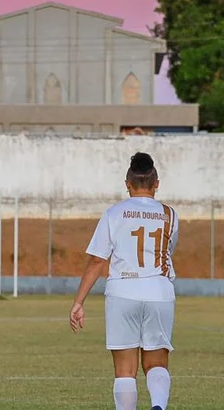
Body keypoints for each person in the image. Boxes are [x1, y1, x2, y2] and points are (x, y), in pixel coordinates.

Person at [70, 153, 178, 410]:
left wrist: (78, 302)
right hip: (159, 291)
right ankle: (159, 407)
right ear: (157, 184)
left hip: (122, 292)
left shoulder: (114, 213)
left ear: (127, 183)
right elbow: (167, 251)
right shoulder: (169, 215)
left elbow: (97, 261)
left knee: (125, 370)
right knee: (156, 363)